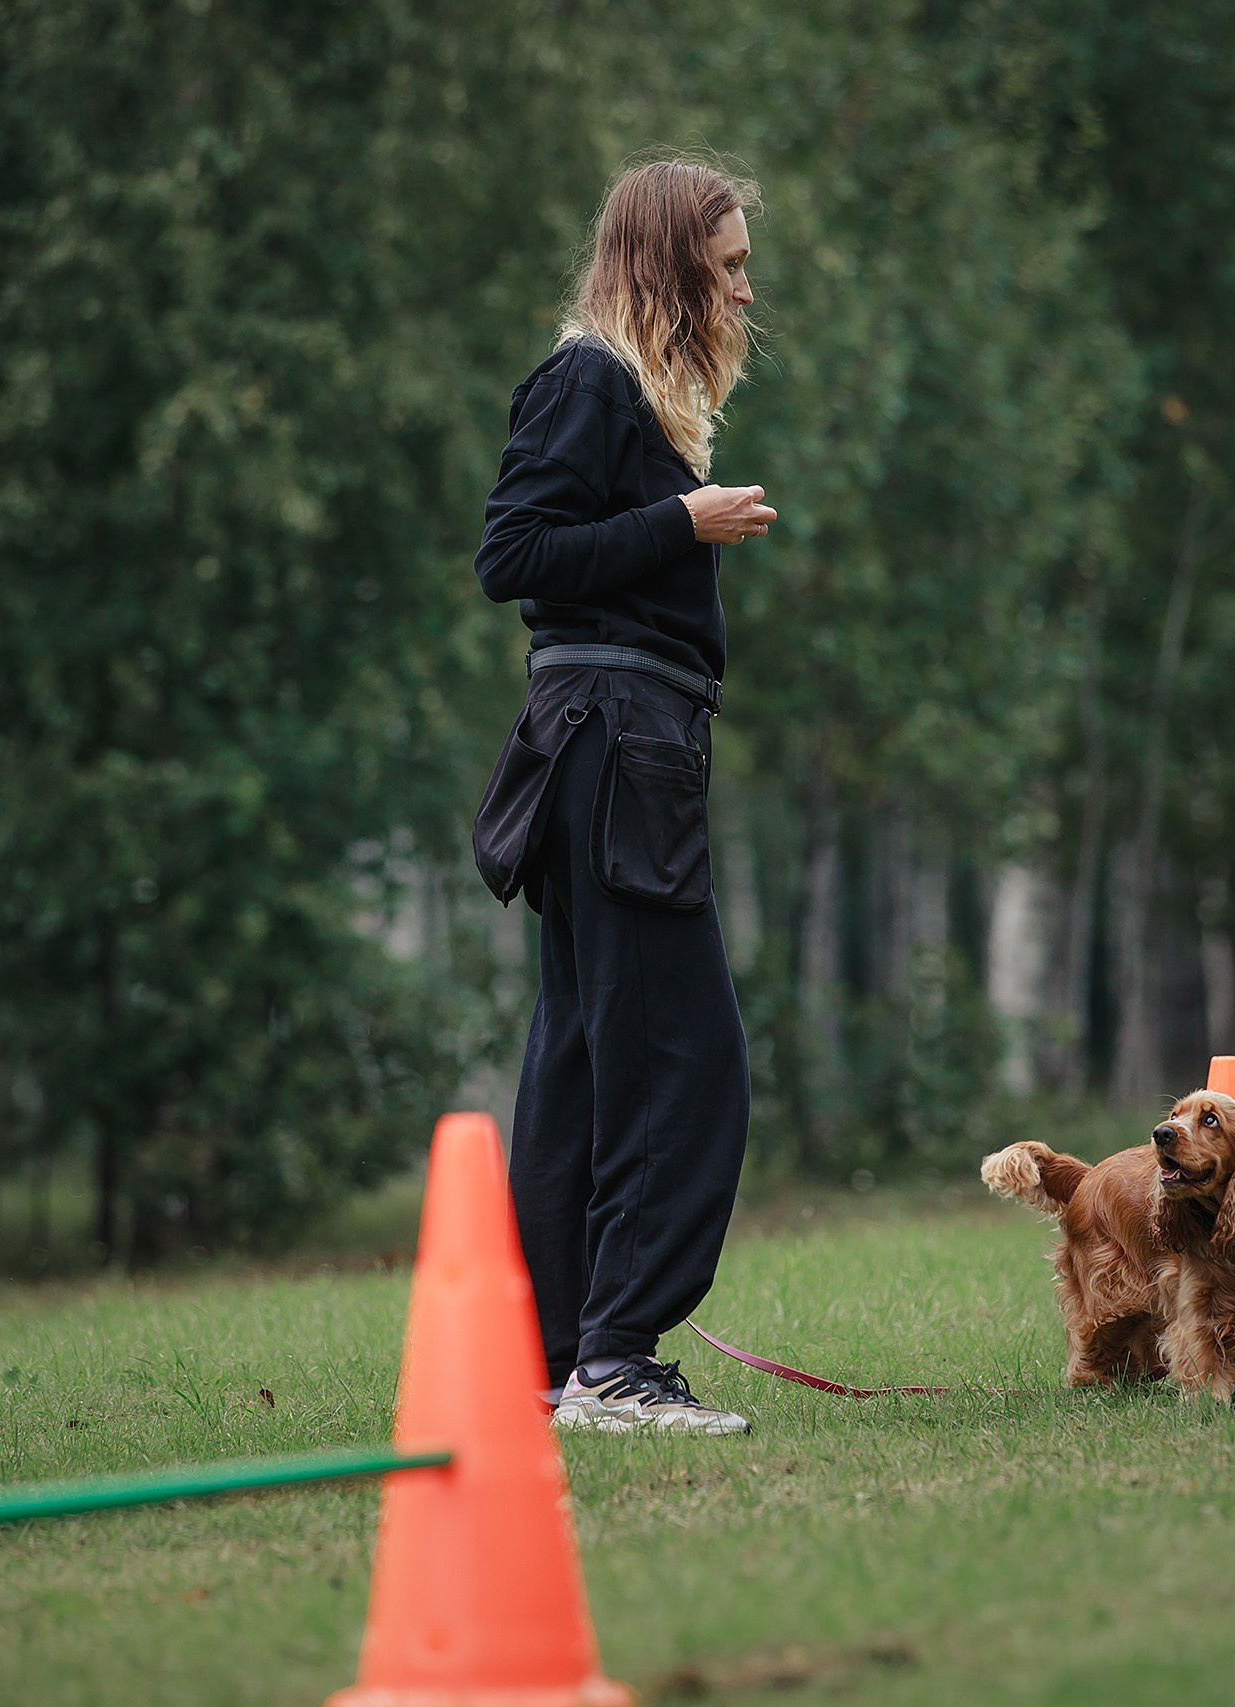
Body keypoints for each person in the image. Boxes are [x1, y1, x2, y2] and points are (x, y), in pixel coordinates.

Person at [469, 156, 775, 1435]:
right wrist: (678, 525)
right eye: (730, 262)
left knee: (589, 1060)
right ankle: (614, 1364)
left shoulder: (625, 395)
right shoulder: (587, 379)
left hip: (617, 747)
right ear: (668, 262)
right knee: (680, 1059)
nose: (746, 287)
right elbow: (512, 554)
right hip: (611, 745)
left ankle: (555, 1359)